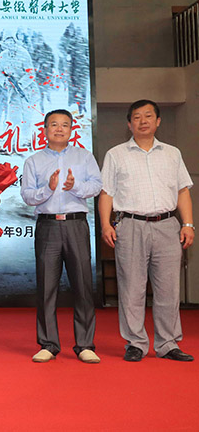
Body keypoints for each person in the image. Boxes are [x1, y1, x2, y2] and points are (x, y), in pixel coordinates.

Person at [99, 99, 194, 362]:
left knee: (168, 289)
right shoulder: (115, 154)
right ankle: (136, 343)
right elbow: (106, 193)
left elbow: (182, 191)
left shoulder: (172, 153)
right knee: (131, 288)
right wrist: (106, 224)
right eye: (137, 117)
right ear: (129, 124)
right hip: (130, 225)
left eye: (148, 116)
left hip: (167, 226)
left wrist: (188, 224)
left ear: (158, 121)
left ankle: (167, 344)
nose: (143, 121)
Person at [20, 109, 102, 364]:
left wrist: (74, 186)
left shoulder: (84, 156)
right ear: (44, 129)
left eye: (64, 125)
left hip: (76, 224)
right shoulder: (33, 161)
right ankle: (48, 344)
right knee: (46, 287)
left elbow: (96, 185)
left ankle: (85, 344)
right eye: (54, 124)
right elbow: (27, 195)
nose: (59, 129)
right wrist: (48, 189)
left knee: (83, 285)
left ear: (71, 129)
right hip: (48, 227)